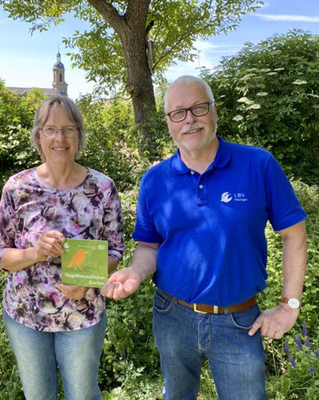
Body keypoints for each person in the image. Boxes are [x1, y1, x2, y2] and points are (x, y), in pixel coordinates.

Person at [101, 75, 307, 400]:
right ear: (168, 122)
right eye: (178, 113)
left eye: (198, 108)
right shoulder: (154, 180)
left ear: (214, 111)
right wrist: (135, 272)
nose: (190, 120)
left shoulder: (258, 165)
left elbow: (294, 235)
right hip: (172, 316)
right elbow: (148, 246)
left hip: (238, 321)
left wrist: (289, 305)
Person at [0, 95, 124, 400]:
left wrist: (87, 279)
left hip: (82, 315)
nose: (59, 138)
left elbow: (116, 250)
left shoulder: (102, 188)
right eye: (50, 129)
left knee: (83, 394)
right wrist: (34, 252)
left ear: (79, 134)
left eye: (68, 129)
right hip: (26, 315)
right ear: (39, 136)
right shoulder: (17, 187)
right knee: (37, 395)